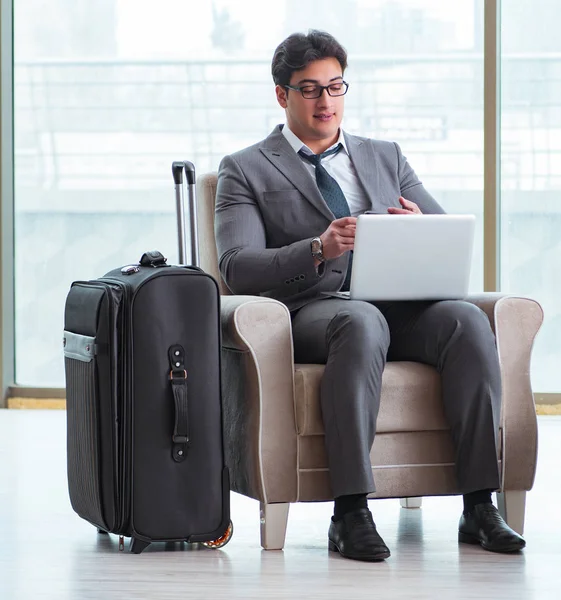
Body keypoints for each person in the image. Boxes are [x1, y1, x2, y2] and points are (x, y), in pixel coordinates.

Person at [214, 29, 525, 562]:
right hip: (314, 312)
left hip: (397, 305)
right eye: (309, 89)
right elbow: (236, 268)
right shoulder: (244, 168)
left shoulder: (385, 156)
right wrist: (316, 248)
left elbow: (444, 227)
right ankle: (351, 510)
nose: (326, 101)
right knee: (360, 323)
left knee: (468, 321)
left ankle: (479, 504)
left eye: (335, 87)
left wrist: (418, 223)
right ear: (281, 94)